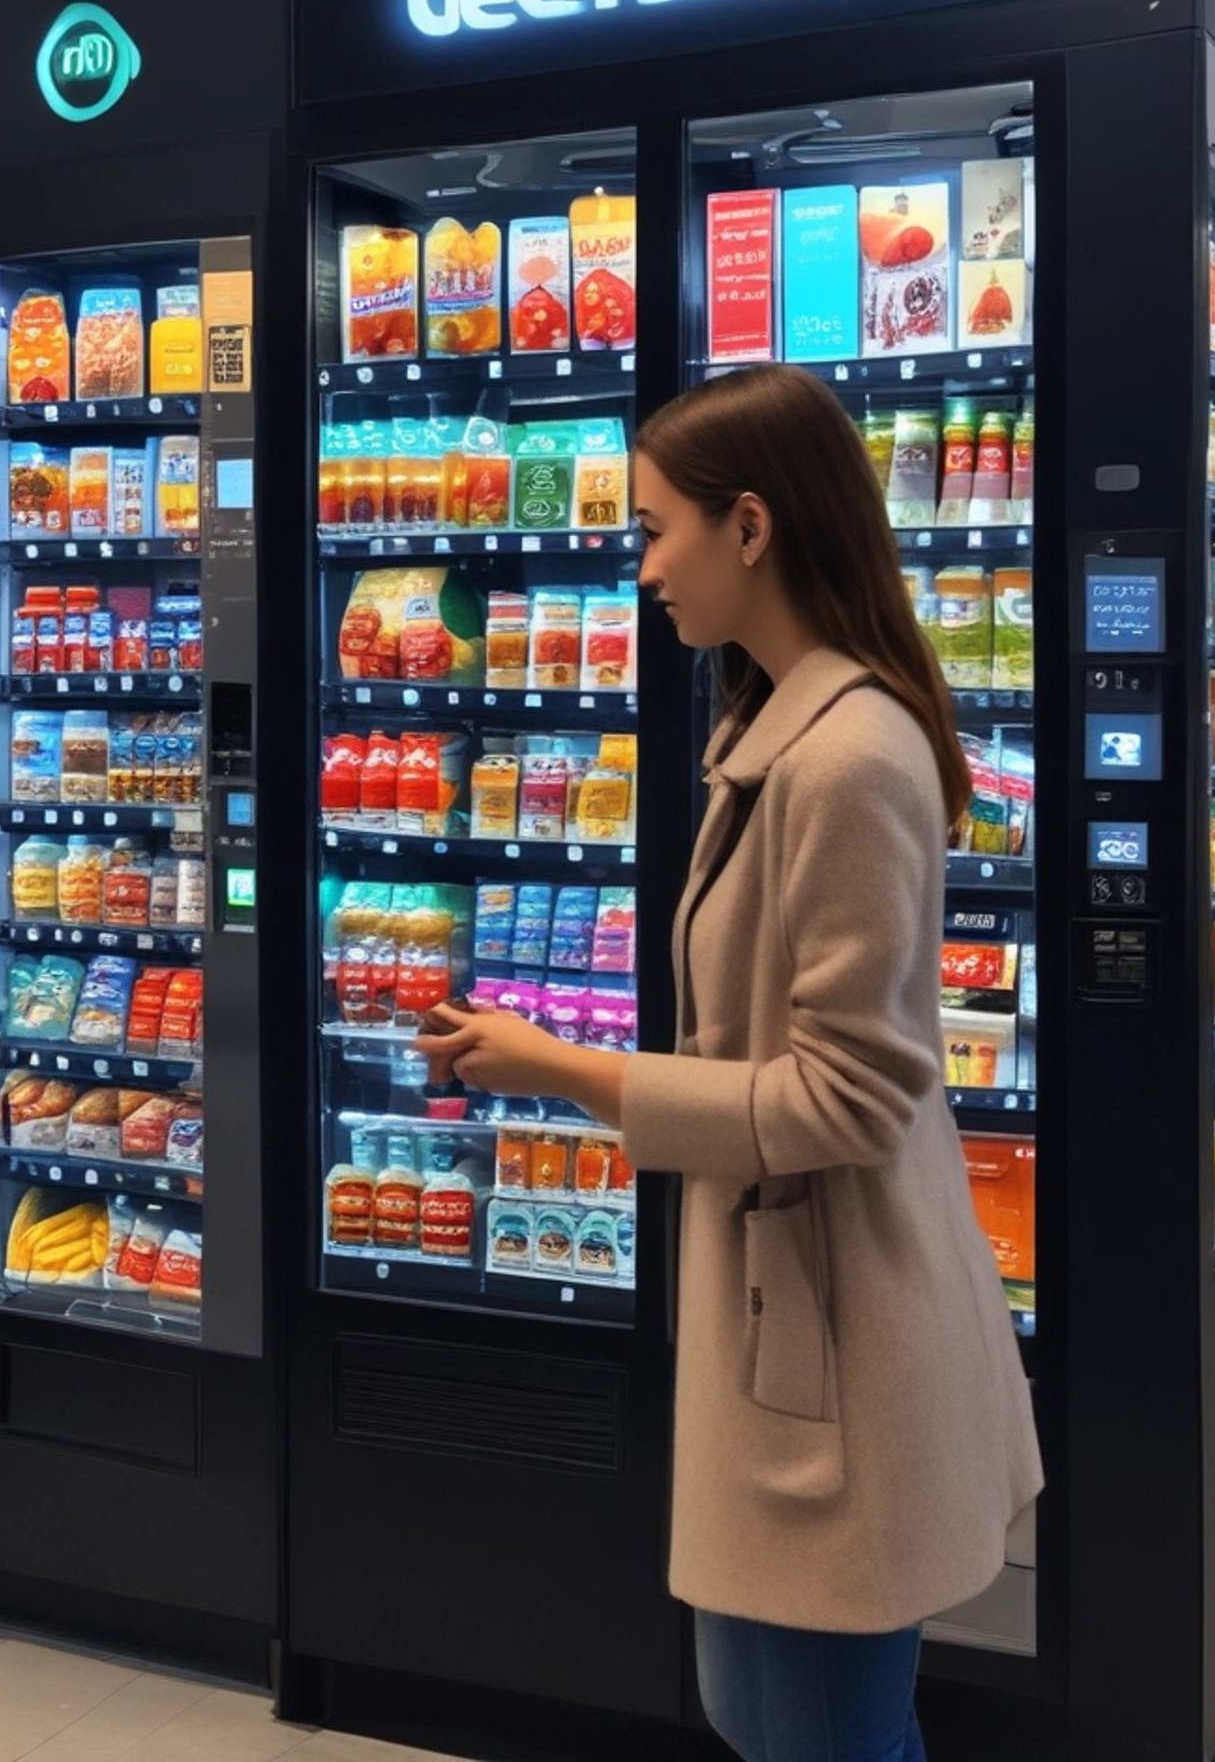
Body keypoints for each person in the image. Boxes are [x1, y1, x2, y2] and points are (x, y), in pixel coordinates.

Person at [415, 365, 1042, 1762]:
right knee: (781, 1722)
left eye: (655, 531)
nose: (641, 568)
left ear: (748, 527)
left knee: (815, 1734)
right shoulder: (771, 723)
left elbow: (851, 1092)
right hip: (794, 1325)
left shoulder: (847, 757)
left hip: (834, 1345)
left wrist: (567, 1069)